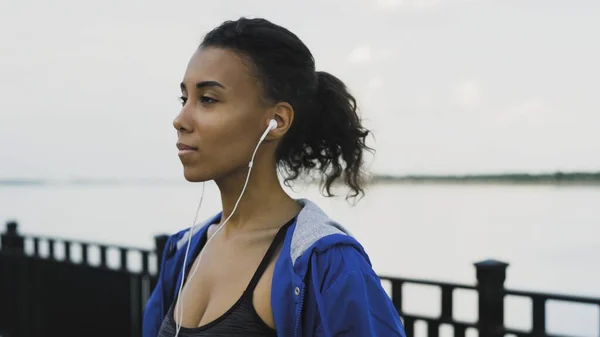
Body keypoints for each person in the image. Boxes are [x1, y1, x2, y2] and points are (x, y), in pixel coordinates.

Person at [142, 17, 406, 337]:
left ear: (276, 121)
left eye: (208, 99)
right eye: (185, 99)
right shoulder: (183, 251)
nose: (180, 119)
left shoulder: (327, 265)